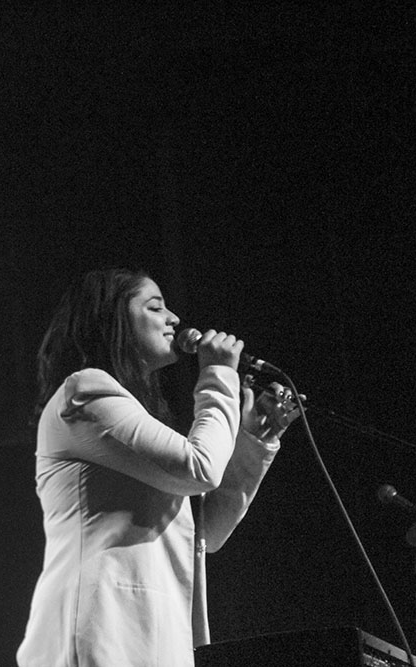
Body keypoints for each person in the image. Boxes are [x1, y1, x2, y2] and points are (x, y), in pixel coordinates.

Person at [16, 268, 297, 667]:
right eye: (155, 306)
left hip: (155, 635)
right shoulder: (84, 394)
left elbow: (206, 534)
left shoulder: (128, 413)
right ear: (112, 320)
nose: (174, 319)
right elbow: (198, 467)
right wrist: (218, 375)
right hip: (101, 628)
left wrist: (252, 441)